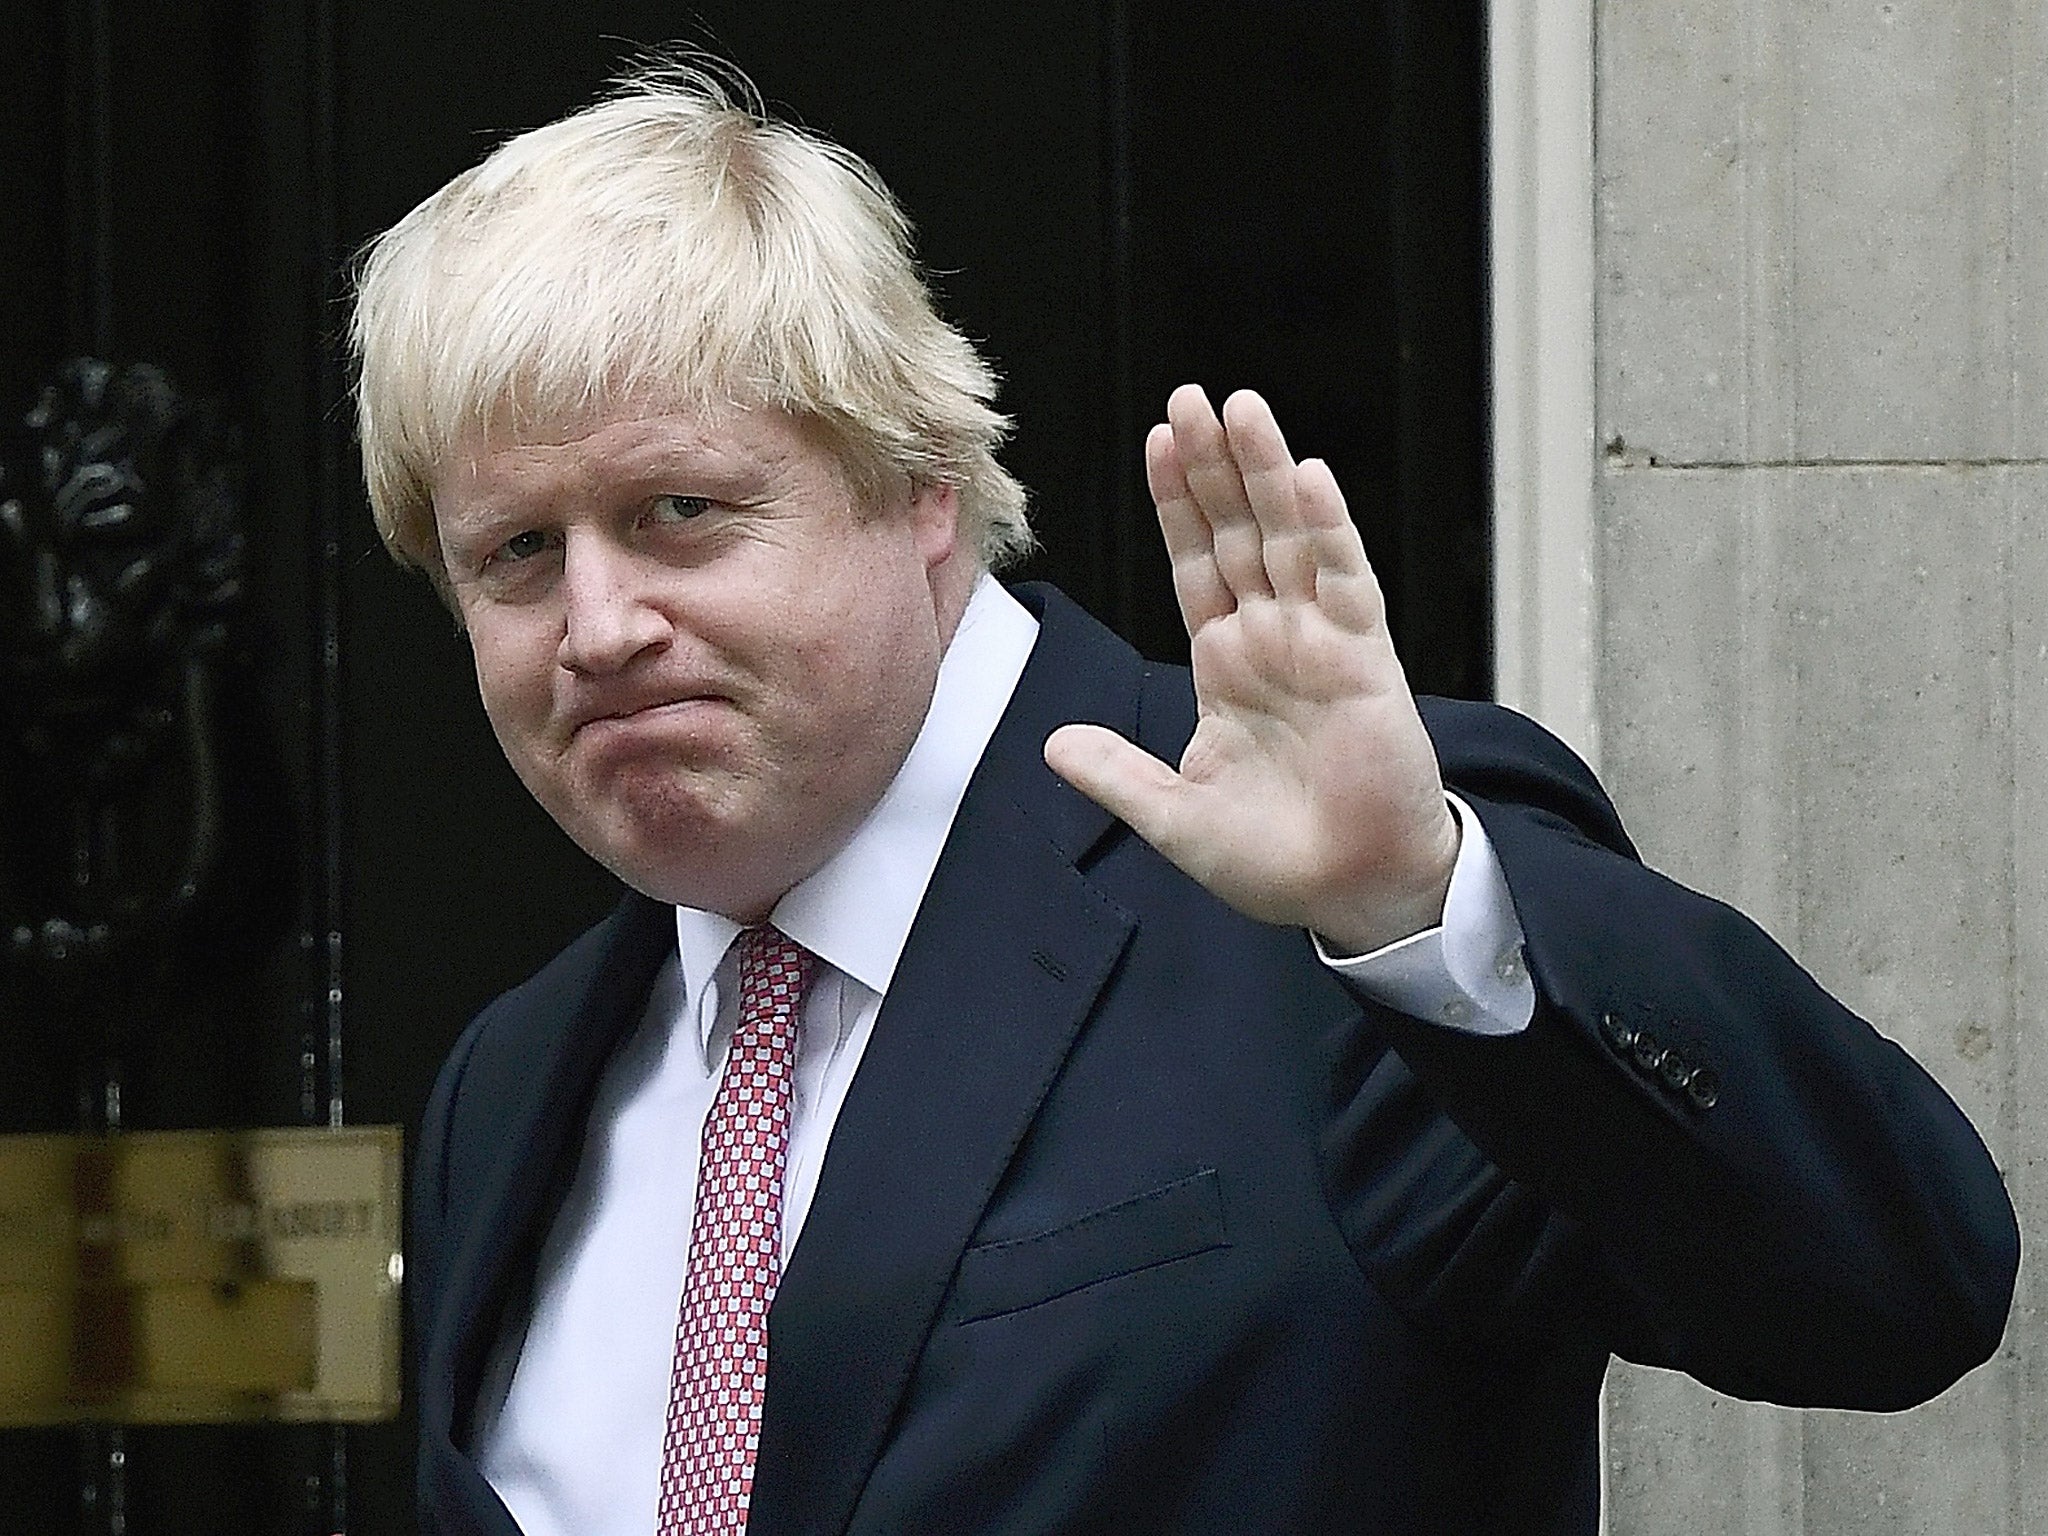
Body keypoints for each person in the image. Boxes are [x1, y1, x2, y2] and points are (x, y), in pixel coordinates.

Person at [350, 66, 2018, 1536]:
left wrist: (1422, 908)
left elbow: (1894, 1297)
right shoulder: (512, 1083)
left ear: (918, 487)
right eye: (514, 554)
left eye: (681, 510)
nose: (599, 625)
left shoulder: (1333, 910)